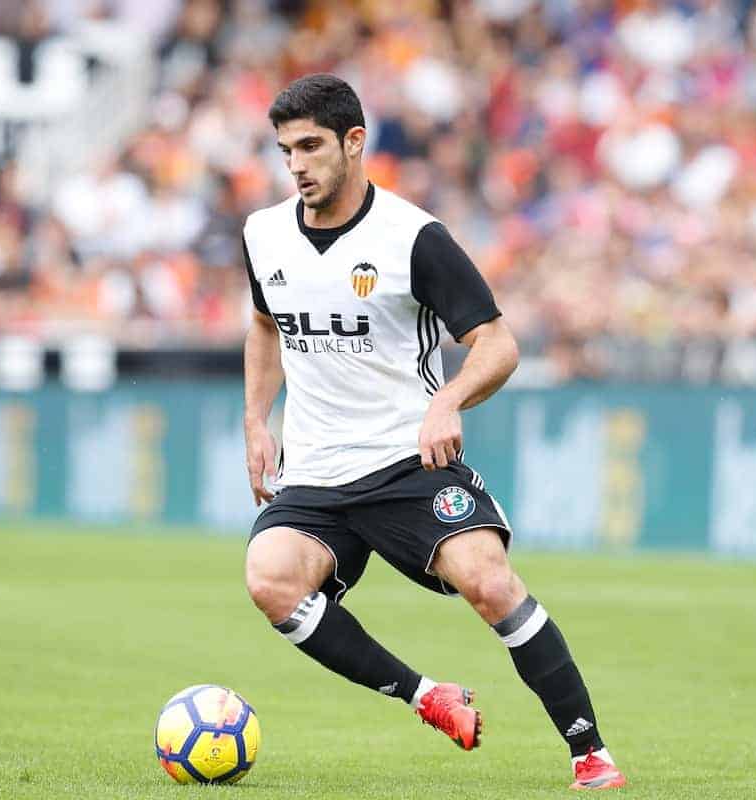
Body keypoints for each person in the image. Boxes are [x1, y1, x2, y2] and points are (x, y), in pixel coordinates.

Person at [240, 74, 627, 791]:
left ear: (355, 143)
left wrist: (448, 401)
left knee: (489, 580)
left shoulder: (412, 238)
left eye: (311, 146)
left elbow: (498, 344)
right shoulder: (263, 235)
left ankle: (590, 752)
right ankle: (429, 697)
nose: (296, 164)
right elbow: (265, 323)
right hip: (316, 473)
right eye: (285, 149)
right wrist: (256, 420)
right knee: (268, 578)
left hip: (405, 461)